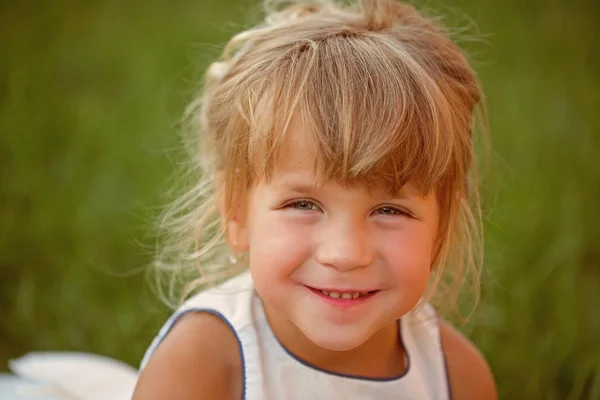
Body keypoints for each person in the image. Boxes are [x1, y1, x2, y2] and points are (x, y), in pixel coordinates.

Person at [132, 0, 497, 398]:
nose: (344, 253)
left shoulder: (455, 377)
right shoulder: (202, 365)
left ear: (441, 228)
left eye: (389, 210)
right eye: (304, 205)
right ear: (236, 213)